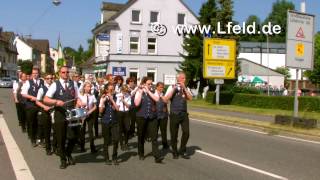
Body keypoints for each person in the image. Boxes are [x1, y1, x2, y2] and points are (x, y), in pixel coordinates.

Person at [44, 66, 79, 169]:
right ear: (59, 73)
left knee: (73, 136)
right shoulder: (55, 84)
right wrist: (55, 101)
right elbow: (45, 99)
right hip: (60, 114)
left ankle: (68, 153)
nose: (65, 74)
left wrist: (78, 106)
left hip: (71, 113)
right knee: (61, 138)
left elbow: (76, 99)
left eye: (67, 72)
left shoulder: (74, 84)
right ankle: (63, 159)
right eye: (63, 72)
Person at [164, 72, 193, 159]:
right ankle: (174, 151)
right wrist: (174, 89)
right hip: (174, 114)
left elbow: (190, 98)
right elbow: (166, 99)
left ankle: (182, 149)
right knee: (174, 134)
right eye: (183, 78)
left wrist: (184, 88)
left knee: (186, 132)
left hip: (184, 114)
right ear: (178, 79)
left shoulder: (186, 88)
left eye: (185, 78)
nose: (185, 79)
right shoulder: (171, 87)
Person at [134, 77, 163, 163]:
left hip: (152, 117)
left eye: (151, 84)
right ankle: (141, 153)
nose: (150, 85)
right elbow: (136, 103)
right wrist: (141, 91)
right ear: (144, 84)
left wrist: (149, 91)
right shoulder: (139, 92)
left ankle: (156, 156)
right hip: (141, 117)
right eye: (148, 84)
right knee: (141, 136)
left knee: (154, 137)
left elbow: (157, 99)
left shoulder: (154, 92)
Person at [21, 67, 44, 147]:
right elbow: (23, 93)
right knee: (31, 123)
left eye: (36, 73)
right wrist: (31, 97)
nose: (35, 74)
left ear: (38, 74)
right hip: (31, 105)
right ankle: (33, 139)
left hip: (40, 105)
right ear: (31, 74)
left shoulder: (42, 81)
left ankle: (40, 138)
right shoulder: (28, 82)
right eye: (33, 73)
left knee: (40, 123)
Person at [99, 83, 120, 165]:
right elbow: (100, 111)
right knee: (106, 141)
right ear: (106, 90)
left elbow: (117, 108)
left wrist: (112, 99)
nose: (112, 91)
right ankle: (106, 158)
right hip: (105, 121)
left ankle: (114, 157)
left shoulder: (116, 97)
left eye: (113, 89)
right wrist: (103, 102)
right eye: (110, 89)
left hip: (114, 121)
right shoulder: (102, 98)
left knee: (116, 139)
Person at [76, 81, 97, 153]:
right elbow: (77, 105)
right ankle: (82, 147)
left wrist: (90, 111)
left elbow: (95, 106)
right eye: (88, 86)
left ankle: (92, 147)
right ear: (84, 87)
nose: (89, 88)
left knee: (91, 131)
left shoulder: (92, 96)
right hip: (82, 115)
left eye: (90, 87)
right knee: (82, 131)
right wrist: (81, 105)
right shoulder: (80, 95)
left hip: (90, 114)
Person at [35, 73, 54, 155]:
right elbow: (37, 101)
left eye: (51, 78)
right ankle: (48, 148)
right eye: (48, 78)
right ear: (45, 79)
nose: (50, 80)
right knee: (47, 131)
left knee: (56, 130)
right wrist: (44, 107)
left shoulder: (54, 87)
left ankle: (56, 146)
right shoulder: (42, 89)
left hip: (55, 110)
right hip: (46, 111)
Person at [116, 85, 131, 151]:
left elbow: (128, 106)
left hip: (127, 113)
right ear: (121, 90)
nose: (125, 92)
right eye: (124, 91)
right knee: (120, 129)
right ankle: (121, 144)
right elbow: (117, 106)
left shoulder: (128, 95)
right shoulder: (118, 95)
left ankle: (126, 143)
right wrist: (119, 101)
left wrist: (123, 100)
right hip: (120, 112)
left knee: (127, 129)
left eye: (126, 91)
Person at [155, 82, 169, 150]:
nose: (162, 88)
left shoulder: (163, 94)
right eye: (160, 87)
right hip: (156, 115)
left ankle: (165, 144)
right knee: (155, 131)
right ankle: (154, 145)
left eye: (163, 87)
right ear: (157, 87)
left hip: (164, 115)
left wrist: (161, 96)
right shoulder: (153, 93)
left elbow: (166, 101)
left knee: (164, 131)